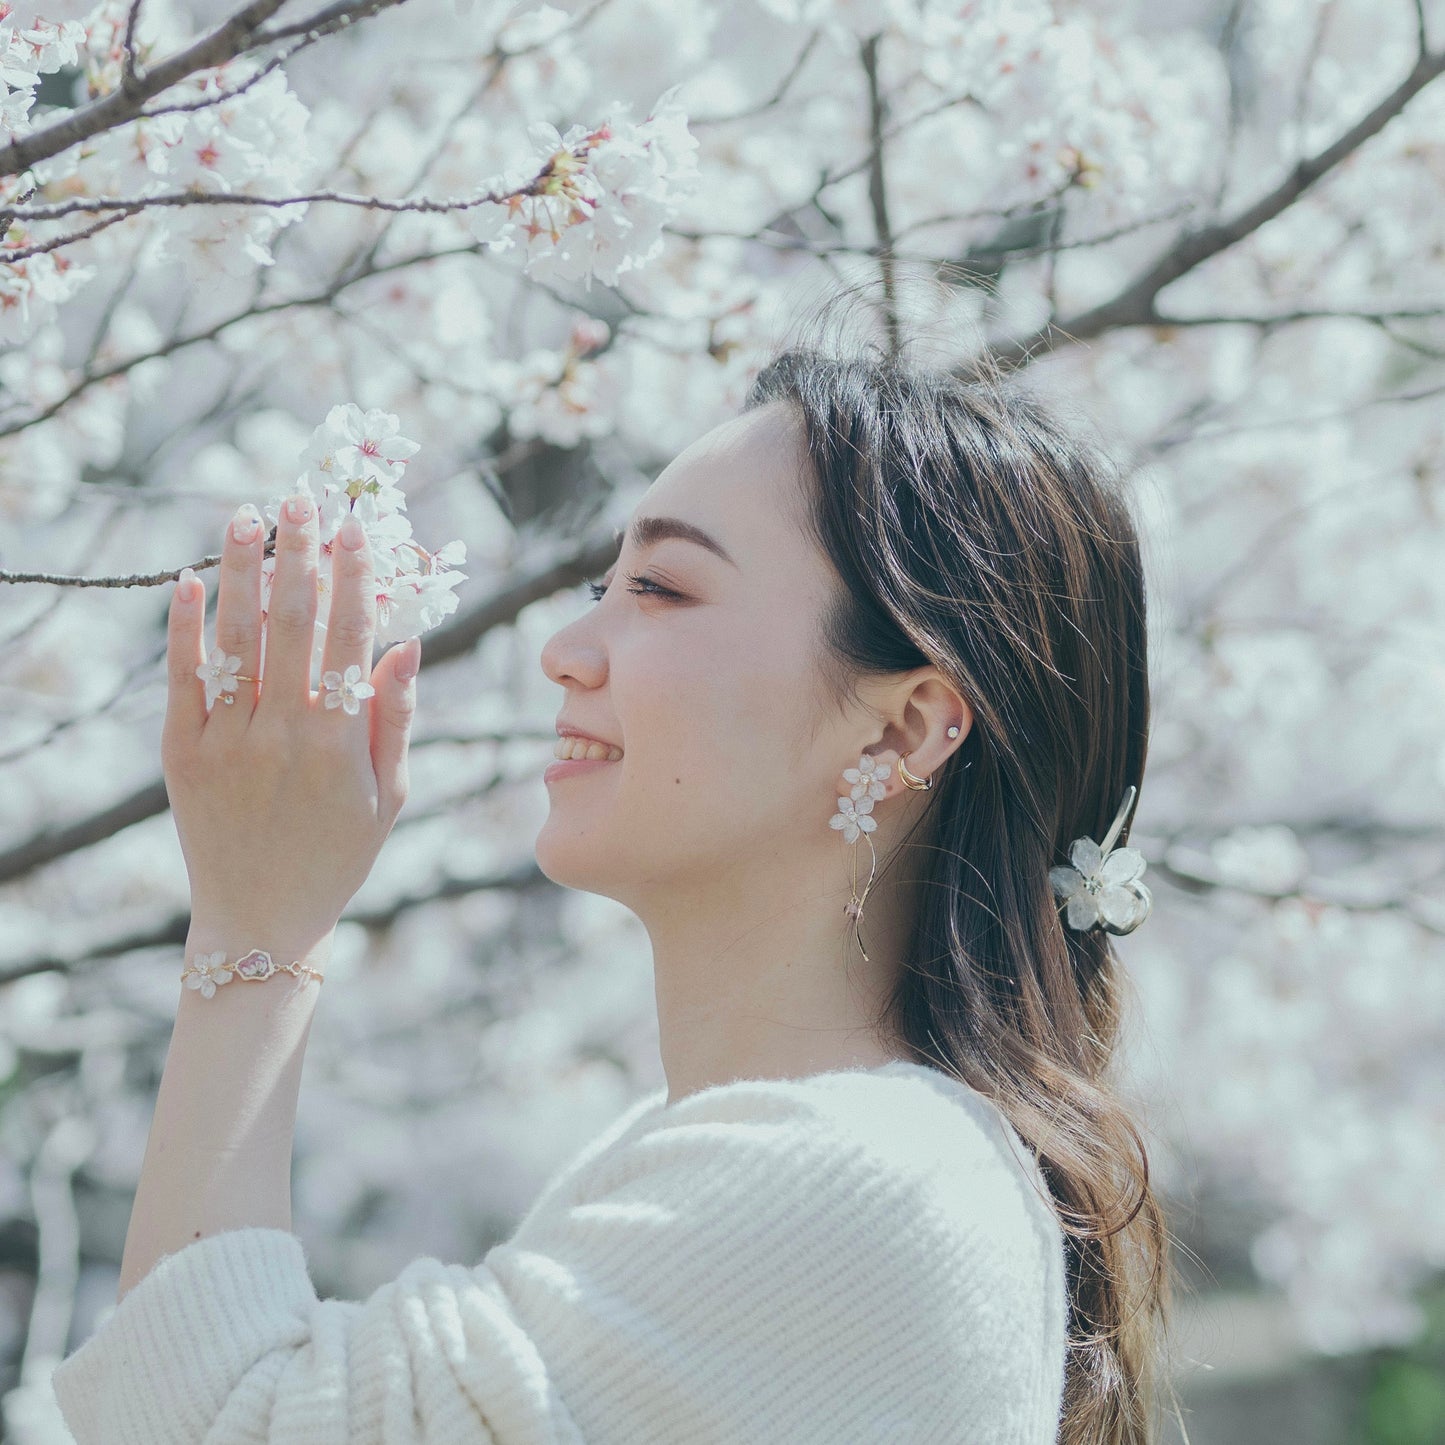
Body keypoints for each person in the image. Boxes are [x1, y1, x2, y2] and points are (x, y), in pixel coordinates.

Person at [48, 318, 1183, 1443]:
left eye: (662, 587)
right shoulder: (796, 1161)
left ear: (902, 732)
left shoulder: (858, 1181)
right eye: (605, 578)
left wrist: (257, 925)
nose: (565, 647)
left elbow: (215, 1422)